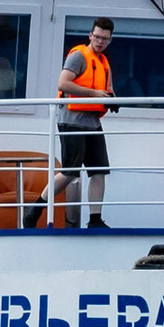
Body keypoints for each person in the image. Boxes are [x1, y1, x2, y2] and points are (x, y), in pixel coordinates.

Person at [49, 16, 116, 230]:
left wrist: (113, 100)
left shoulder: (105, 63)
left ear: (110, 39)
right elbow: (63, 83)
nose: (100, 42)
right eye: (97, 37)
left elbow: (108, 89)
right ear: (90, 35)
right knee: (70, 172)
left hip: (93, 123)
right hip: (72, 121)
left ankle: (95, 220)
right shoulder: (78, 56)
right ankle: (37, 206)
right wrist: (94, 94)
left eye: (105, 38)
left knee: (99, 171)